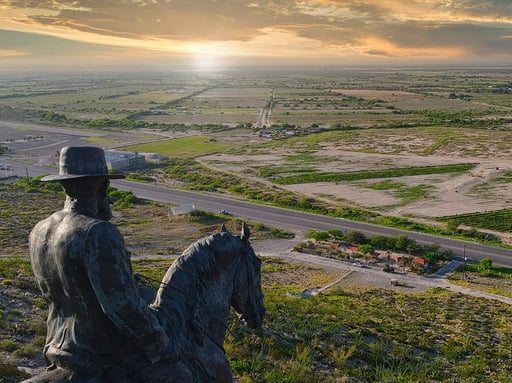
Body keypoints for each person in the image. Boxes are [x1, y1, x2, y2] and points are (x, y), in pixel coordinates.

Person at [24, 146, 189, 382]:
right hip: (101, 351)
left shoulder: (39, 229)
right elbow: (121, 307)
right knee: (181, 374)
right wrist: (160, 344)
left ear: (64, 185)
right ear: (99, 186)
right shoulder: (98, 232)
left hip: (56, 344)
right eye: (106, 186)